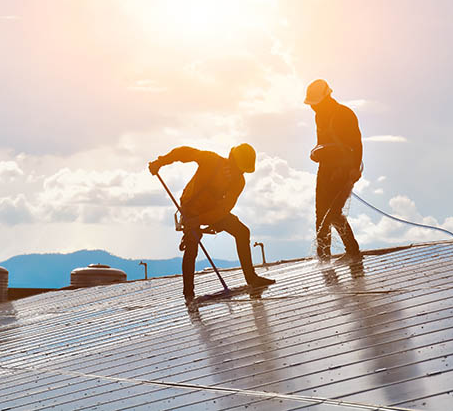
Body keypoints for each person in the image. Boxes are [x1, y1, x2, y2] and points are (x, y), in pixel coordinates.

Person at [149, 144, 275, 299]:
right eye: (239, 168)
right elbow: (183, 153)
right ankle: (188, 293)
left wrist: (199, 221)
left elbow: (223, 210)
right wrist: (160, 162)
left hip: (212, 211)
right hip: (191, 207)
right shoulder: (210, 160)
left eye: (243, 170)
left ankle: (251, 278)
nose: (240, 172)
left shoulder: (238, 182)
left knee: (242, 232)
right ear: (232, 161)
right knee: (192, 244)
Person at [304, 79, 362, 262]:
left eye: (316, 104)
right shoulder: (319, 115)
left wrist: (353, 169)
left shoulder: (344, 114)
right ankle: (324, 256)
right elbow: (323, 142)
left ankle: (351, 250)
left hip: (343, 169)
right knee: (321, 213)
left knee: (333, 212)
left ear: (327, 98)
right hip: (326, 168)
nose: (313, 108)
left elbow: (356, 143)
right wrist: (317, 153)